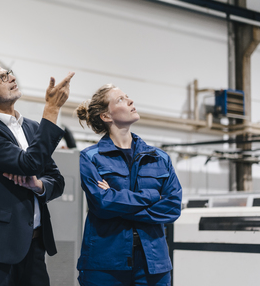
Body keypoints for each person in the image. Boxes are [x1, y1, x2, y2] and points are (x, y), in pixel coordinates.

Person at [0, 57, 75, 286]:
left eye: (10, 73)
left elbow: (56, 179)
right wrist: (52, 109)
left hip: (33, 245)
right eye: (2, 77)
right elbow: (30, 164)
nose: (12, 78)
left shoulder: (33, 128)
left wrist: (39, 185)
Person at [75, 84, 182, 286]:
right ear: (106, 116)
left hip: (154, 264)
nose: (131, 101)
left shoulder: (159, 158)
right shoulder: (91, 158)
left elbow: (172, 207)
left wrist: (117, 202)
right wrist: (152, 197)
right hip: (105, 264)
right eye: (121, 100)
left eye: (128, 97)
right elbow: (101, 204)